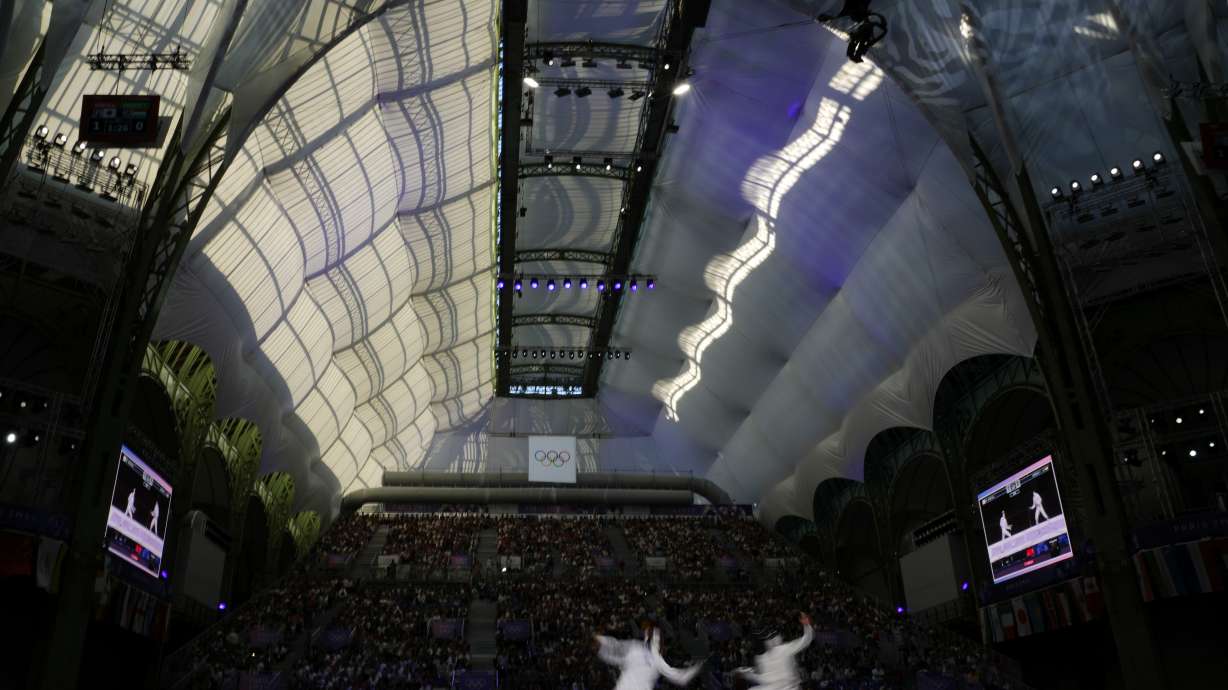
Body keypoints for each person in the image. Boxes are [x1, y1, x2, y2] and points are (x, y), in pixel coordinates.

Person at [594, 623, 702, 690]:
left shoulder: (657, 659)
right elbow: (616, 648)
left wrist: (698, 667)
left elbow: (680, 677)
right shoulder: (637, 648)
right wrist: (601, 641)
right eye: (659, 640)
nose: (661, 644)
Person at [736, 613, 814, 690]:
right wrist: (747, 674)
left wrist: (807, 625)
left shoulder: (782, 649)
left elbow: (806, 640)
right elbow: (764, 678)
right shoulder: (762, 658)